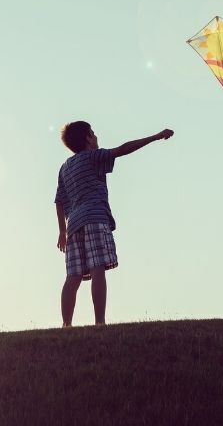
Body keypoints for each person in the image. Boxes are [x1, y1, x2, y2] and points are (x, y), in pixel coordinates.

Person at [54, 121, 173, 327]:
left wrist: (62, 231)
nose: (97, 136)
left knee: (72, 277)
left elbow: (58, 200)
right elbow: (123, 149)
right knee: (97, 268)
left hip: (73, 225)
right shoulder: (93, 157)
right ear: (88, 139)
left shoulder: (65, 167)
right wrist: (155, 137)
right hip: (95, 217)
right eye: (93, 133)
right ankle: (99, 322)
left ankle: (66, 324)